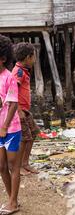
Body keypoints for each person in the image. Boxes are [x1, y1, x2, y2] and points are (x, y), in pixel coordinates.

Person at [0, 35, 22, 215]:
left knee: (13, 165)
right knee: (1, 166)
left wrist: (5, 126)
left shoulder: (9, 78)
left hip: (11, 129)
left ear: (3, 58)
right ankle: (11, 199)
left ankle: (13, 202)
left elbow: (13, 103)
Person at [12, 43, 39, 176]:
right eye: (33, 57)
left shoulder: (23, 70)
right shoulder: (19, 72)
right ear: (28, 57)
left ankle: (25, 163)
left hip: (25, 110)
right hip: (19, 111)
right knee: (24, 138)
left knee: (33, 133)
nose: (34, 60)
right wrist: (18, 111)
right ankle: (17, 166)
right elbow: (12, 91)